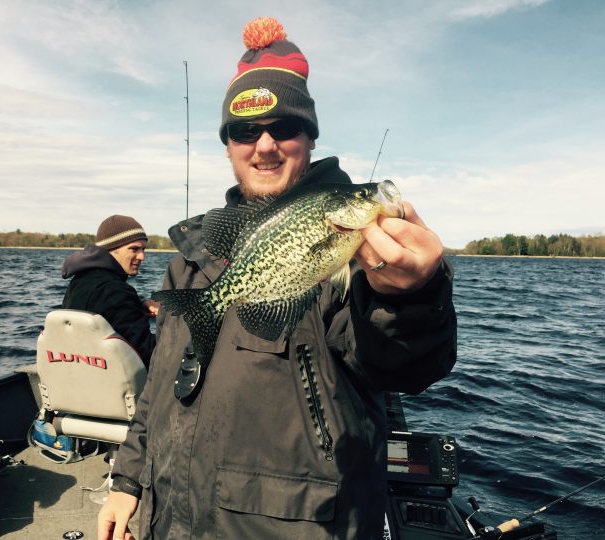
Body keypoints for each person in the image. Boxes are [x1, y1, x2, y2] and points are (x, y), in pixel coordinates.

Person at [98, 17, 456, 540]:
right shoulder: (191, 261)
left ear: (309, 138)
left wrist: (412, 296)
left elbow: (405, 363)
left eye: (283, 128)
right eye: (245, 131)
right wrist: (127, 481)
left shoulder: (360, 255)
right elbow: (157, 388)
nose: (264, 145)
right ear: (228, 146)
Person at [62, 215, 157, 368]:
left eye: (143, 249)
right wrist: (172, 320)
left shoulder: (79, 282)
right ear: (111, 249)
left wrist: (139, 307)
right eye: (134, 249)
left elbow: (109, 313)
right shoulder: (116, 291)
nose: (142, 256)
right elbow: (149, 355)